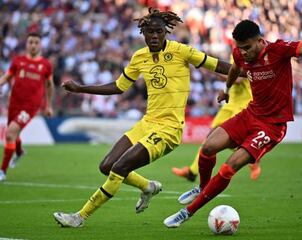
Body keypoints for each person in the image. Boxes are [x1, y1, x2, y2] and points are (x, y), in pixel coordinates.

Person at [53, 8, 232, 228]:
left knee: (120, 167)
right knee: (106, 165)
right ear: (143, 34)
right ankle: (148, 187)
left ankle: (80, 217)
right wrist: (81, 88)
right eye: (150, 32)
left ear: (165, 33)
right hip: (147, 123)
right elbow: (119, 87)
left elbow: (217, 65)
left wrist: (248, 70)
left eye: (158, 32)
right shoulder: (139, 57)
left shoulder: (182, 51)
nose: (154, 36)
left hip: (168, 130)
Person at [164, 19, 302, 228]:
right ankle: (202, 188)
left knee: (229, 167)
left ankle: (187, 212)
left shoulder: (279, 49)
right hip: (250, 114)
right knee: (208, 147)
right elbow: (234, 69)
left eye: (248, 47)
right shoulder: (239, 53)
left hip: (272, 126)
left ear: (259, 40)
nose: (244, 52)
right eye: (240, 48)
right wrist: (227, 89)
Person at [171, 76, 262, 182]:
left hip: (243, 105)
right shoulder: (232, 58)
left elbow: (238, 80)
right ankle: (192, 172)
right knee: (211, 137)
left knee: (229, 140)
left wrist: (216, 70)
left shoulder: (245, 59)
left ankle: (253, 159)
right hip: (230, 104)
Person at [0, 32, 54, 181]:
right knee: (13, 134)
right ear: (26, 44)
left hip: (30, 106)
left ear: (40, 44)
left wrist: (48, 105)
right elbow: (6, 77)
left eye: (36, 42)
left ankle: (2, 171)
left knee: (10, 133)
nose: (33, 45)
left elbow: (50, 85)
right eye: (31, 42)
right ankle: (19, 151)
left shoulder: (45, 65)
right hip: (14, 103)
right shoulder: (18, 61)